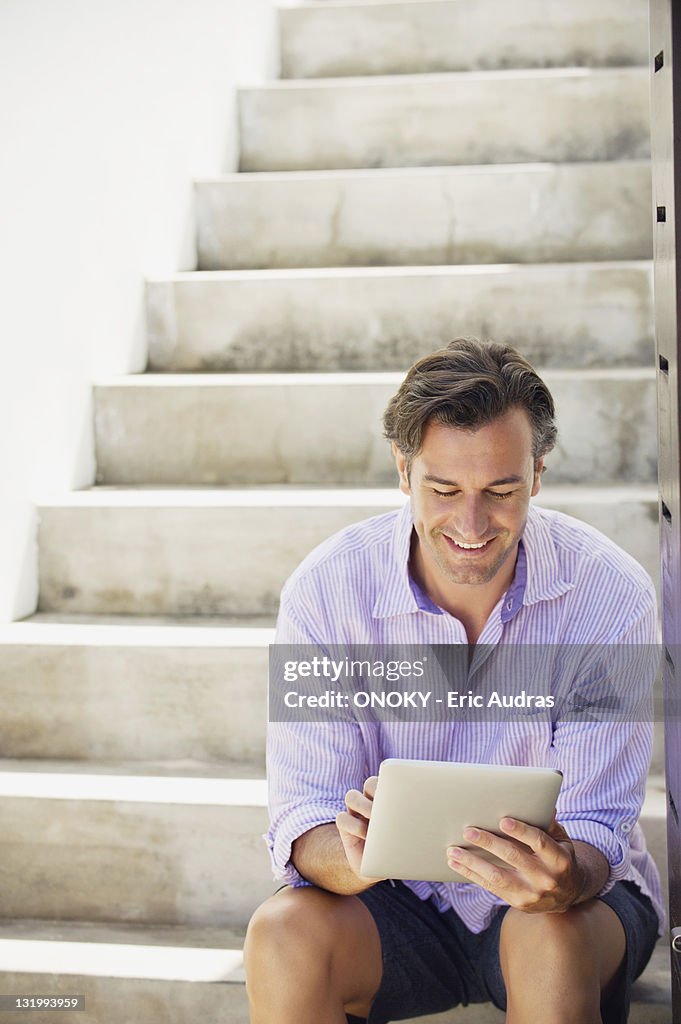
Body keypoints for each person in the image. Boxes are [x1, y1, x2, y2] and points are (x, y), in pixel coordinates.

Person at [244, 339, 663, 1024]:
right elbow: (301, 818)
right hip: (398, 903)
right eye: (443, 490)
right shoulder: (324, 590)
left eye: (500, 491)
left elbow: (596, 828)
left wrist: (564, 878)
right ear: (403, 470)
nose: (471, 525)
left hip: (572, 913)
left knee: (546, 933)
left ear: (536, 475)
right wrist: (351, 856)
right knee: (281, 932)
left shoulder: (607, 593)